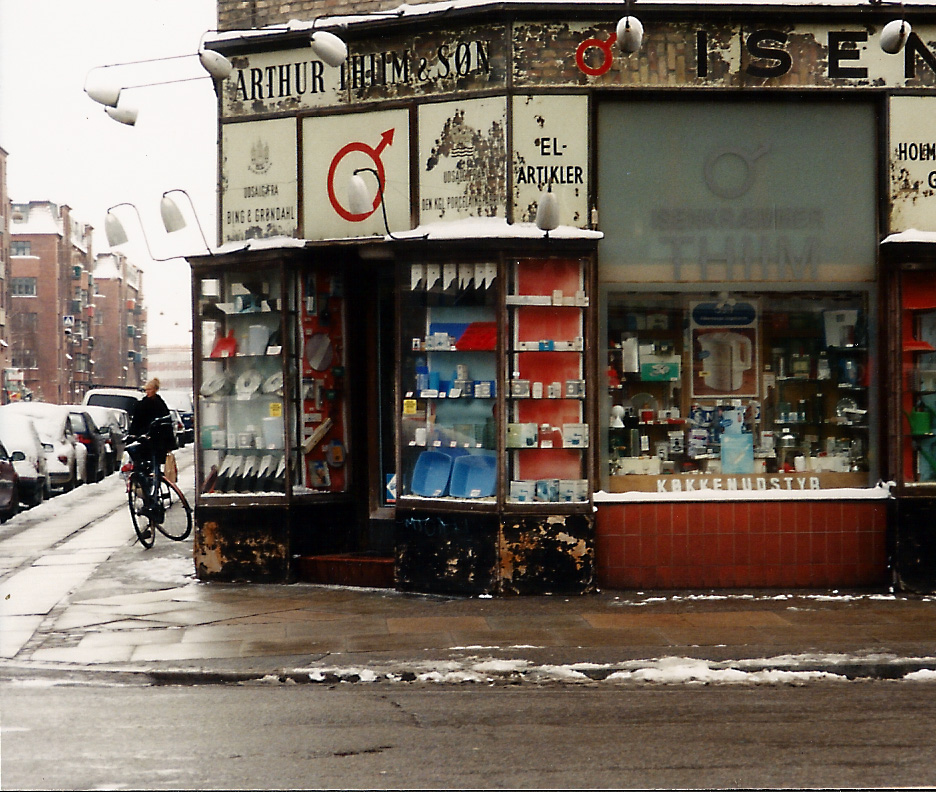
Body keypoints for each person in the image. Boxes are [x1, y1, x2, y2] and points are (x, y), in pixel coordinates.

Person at [128, 379, 174, 515]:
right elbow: (135, 422)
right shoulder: (141, 404)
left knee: (155, 467)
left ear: (155, 390)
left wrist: (167, 443)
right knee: (142, 467)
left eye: (150, 389)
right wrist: (133, 435)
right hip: (144, 441)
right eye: (146, 390)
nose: (147, 392)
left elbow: (166, 424)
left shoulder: (160, 405)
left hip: (157, 442)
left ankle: (154, 491)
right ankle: (146, 492)